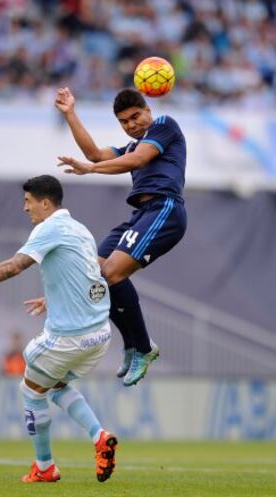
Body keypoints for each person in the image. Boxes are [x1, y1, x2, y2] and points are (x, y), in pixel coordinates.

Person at [0, 175, 118, 484]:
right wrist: (54, 297)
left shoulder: (48, 228)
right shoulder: (80, 229)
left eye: (27, 201)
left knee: (31, 390)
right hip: (100, 334)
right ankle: (100, 437)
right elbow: (90, 273)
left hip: (69, 338)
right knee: (54, 385)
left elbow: (14, 266)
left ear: (45, 203)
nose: (24, 208)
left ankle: (45, 467)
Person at [55, 87, 187, 387]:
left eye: (135, 116)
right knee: (96, 272)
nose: (131, 125)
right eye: (124, 122)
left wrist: (91, 170)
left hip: (164, 209)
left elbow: (139, 161)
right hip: (141, 215)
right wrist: (70, 114)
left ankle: (143, 348)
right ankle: (132, 344)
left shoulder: (164, 125)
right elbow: (94, 153)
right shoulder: (130, 146)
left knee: (111, 273)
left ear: (148, 111)